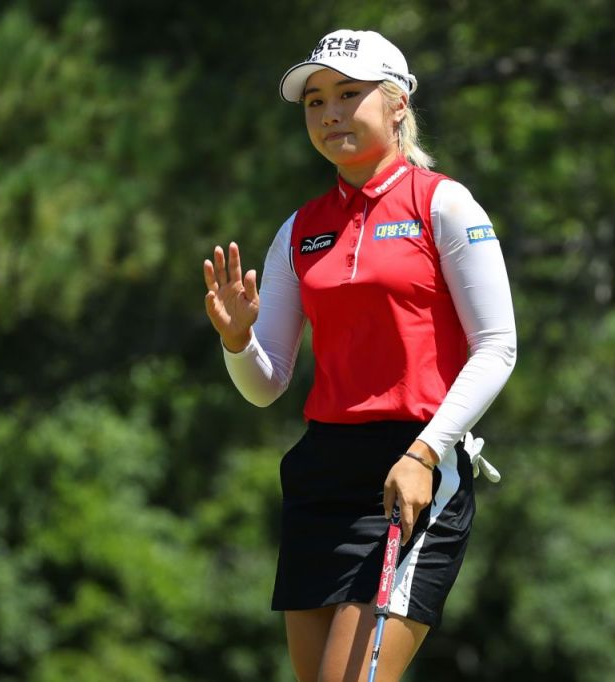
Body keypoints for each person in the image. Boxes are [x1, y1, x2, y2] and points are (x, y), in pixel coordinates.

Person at [202, 28, 517, 682]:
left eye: (348, 94)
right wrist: (237, 341)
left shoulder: (443, 204)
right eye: (315, 101)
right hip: (321, 475)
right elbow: (267, 384)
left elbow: (497, 347)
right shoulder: (300, 229)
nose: (329, 113)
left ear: (398, 103)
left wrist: (424, 454)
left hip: (413, 466)